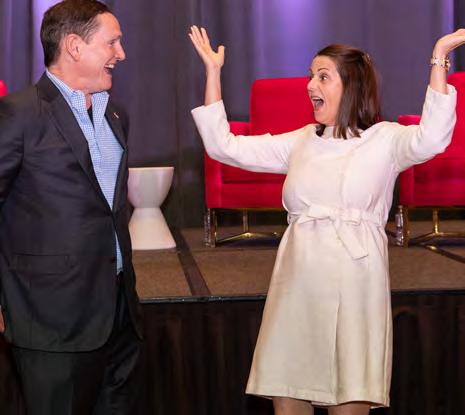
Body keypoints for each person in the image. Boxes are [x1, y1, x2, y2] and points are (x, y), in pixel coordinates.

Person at [189, 25, 465, 415]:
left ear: (351, 86)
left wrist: (440, 55)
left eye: (322, 76)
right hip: (298, 279)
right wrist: (213, 73)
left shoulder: (387, 139)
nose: (309, 85)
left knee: (349, 393)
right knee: (289, 389)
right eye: (310, 76)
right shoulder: (301, 140)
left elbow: (433, 137)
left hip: (356, 281)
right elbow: (223, 146)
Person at [0, 1, 143, 413]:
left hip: (119, 314)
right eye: (112, 42)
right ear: (75, 46)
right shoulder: (19, 114)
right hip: (50, 320)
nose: (121, 54)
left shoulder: (116, 114)